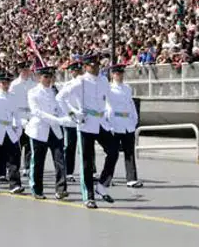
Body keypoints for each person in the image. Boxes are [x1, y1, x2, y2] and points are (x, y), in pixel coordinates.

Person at [57, 53, 118, 209]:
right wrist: (73, 113)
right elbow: (60, 98)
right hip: (86, 123)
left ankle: (102, 185)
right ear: (85, 67)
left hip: (101, 123)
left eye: (97, 65)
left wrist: (110, 112)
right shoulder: (80, 82)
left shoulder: (104, 80)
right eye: (92, 65)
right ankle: (88, 196)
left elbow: (108, 98)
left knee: (114, 151)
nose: (96, 67)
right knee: (87, 161)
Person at [27, 66, 71, 200]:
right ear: (39, 77)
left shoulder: (55, 91)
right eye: (45, 76)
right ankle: (37, 189)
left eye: (50, 76)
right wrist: (56, 120)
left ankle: (61, 189)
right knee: (38, 161)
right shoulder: (33, 92)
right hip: (40, 129)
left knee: (60, 160)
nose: (48, 79)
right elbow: (36, 112)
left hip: (55, 130)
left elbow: (61, 107)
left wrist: (67, 118)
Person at [107, 65, 142, 188]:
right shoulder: (108, 88)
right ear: (112, 75)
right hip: (115, 123)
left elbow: (131, 104)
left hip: (127, 124)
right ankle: (107, 178)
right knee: (113, 153)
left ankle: (131, 179)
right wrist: (108, 124)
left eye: (121, 73)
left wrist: (134, 119)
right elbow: (106, 106)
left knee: (129, 152)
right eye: (117, 74)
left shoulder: (127, 88)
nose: (120, 76)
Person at [57, 60, 82, 182]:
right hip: (72, 119)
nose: (76, 72)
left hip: (85, 119)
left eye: (78, 70)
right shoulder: (68, 85)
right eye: (73, 70)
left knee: (87, 148)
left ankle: (91, 171)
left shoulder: (86, 83)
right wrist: (72, 113)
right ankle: (68, 172)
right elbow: (63, 101)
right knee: (70, 147)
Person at [9, 61, 36, 176]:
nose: (26, 72)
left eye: (27, 69)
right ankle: (15, 166)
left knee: (30, 144)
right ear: (20, 70)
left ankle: (28, 166)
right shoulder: (14, 84)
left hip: (30, 115)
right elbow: (11, 100)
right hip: (19, 115)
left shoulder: (33, 83)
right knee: (18, 144)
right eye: (23, 70)